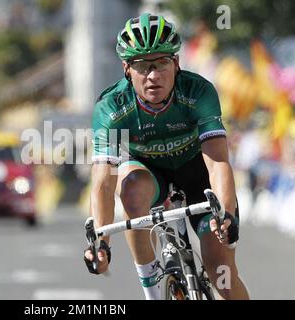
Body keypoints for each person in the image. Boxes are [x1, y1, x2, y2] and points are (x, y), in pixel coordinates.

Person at [84, 13, 249, 300]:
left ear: (176, 63)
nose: (153, 75)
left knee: (222, 275)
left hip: (198, 174)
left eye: (161, 63)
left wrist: (227, 215)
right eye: (142, 66)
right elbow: (103, 182)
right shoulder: (110, 108)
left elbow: (218, 161)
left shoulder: (198, 92)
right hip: (149, 174)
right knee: (130, 188)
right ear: (126, 69)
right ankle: (152, 292)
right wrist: (101, 242)